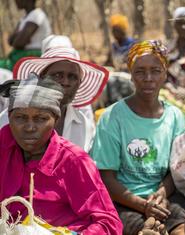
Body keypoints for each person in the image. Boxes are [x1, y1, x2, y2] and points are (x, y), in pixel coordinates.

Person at [0, 73, 123, 234]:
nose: (29, 128)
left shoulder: (74, 161)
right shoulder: (3, 145)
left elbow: (109, 224)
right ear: (9, 117)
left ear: (56, 120)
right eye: (20, 118)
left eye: (40, 119)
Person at [90, 40, 185, 235]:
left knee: (183, 229)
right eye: (140, 71)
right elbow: (106, 178)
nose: (148, 78)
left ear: (165, 74)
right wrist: (143, 206)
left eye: (155, 70)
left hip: (163, 199)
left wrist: (161, 193)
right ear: (131, 76)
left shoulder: (175, 116)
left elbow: (176, 169)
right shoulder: (112, 117)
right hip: (124, 202)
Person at [0, 45, 108, 152]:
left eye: (72, 77)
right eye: (57, 75)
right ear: (41, 77)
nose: (65, 82)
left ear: (79, 83)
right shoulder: (11, 117)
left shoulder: (83, 124)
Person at [0, 0, 51, 71]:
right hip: (22, 55)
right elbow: (10, 41)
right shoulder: (24, 19)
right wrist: (20, 36)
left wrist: (18, 36)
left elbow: (19, 43)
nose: (16, 1)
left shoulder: (37, 15)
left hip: (33, 57)